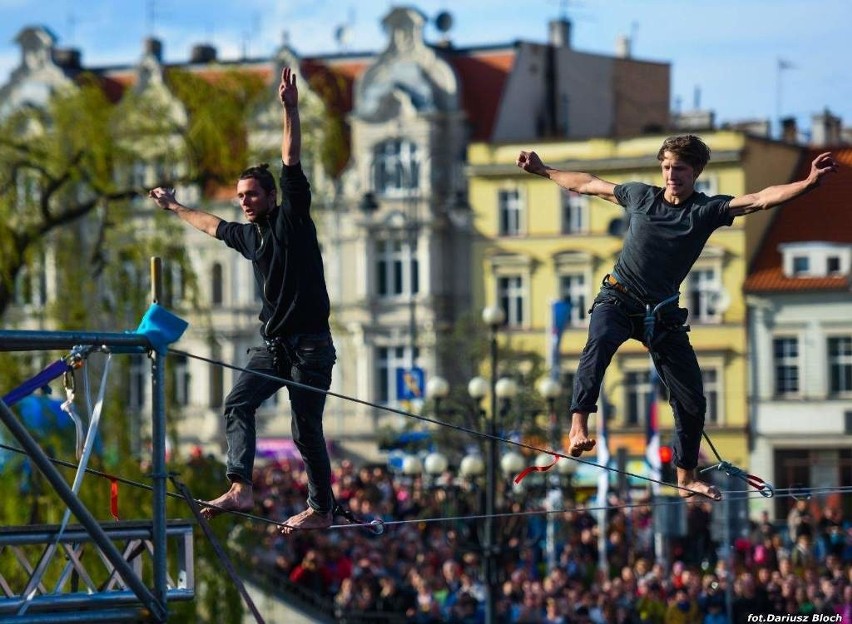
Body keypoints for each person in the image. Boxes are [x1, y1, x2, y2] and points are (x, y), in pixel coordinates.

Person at [517, 137, 838, 499]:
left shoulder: (704, 211)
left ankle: (686, 477)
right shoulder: (640, 196)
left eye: (680, 169)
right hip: (618, 299)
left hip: (662, 313)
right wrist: (544, 170)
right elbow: (589, 184)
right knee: (600, 343)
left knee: (692, 398)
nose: (671, 175)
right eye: (667, 166)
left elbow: (759, 199)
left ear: (696, 172)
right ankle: (578, 426)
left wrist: (807, 183)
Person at [148, 67, 337, 532]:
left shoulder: (292, 220)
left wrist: (290, 108)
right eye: (240, 196)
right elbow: (210, 225)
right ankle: (240, 486)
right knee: (237, 404)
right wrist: (174, 207)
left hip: (311, 347)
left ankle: (321, 508)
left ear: (272, 197)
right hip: (274, 349)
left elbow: (290, 158)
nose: (245, 201)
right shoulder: (249, 237)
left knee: (304, 431)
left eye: (252, 194)